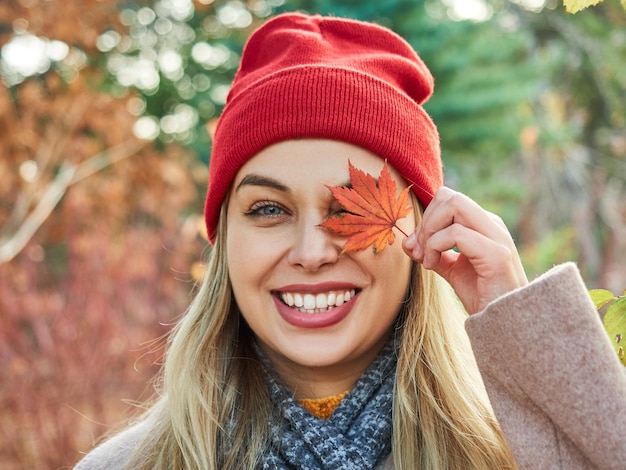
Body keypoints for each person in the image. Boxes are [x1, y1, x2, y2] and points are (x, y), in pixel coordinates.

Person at [74, 12, 626, 470]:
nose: (312, 253)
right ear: (223, 245)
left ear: (423, 232)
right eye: (268, 209)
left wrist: (521, 324)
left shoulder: (513, 453)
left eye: (350, 210)